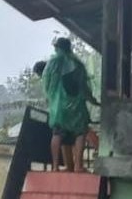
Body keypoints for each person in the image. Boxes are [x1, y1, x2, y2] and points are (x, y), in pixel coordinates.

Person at [42, 37, 99, 172]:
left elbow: (46, 83)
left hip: (59, 108)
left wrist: (52, 97)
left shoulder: (53, 62)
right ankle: (78, 166)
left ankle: (55, 166)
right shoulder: (78, 64)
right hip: (77, 107)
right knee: (80, 133)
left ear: (57, 47)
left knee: (57, 134)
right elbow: (84, 87)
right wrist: (93, 101)